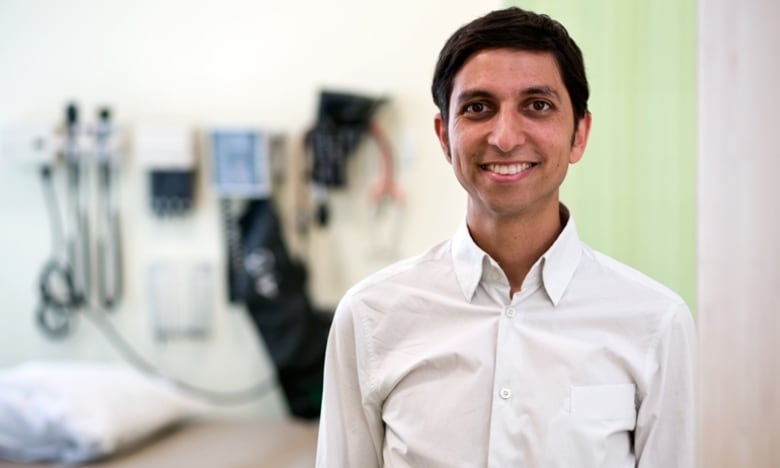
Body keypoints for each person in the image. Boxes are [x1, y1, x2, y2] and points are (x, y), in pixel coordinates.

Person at [315, 6, 696, 468]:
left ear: (579, 134)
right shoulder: (370, 318)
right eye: (478, 108)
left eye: (538, 105)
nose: (506, 136)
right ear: (444, 137)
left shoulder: (655, 323)